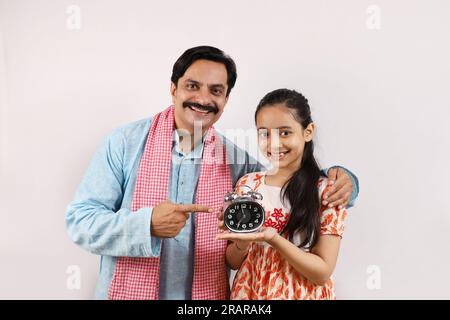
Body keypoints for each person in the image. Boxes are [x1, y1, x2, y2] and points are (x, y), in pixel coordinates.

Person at [65, 46, 359, 300]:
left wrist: (346, 179)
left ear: (226, 99)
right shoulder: (124, 143)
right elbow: (79, 222)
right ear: (173, 88)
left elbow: (288, 182)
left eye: (216, 90)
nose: (203, 99)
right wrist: (148, 224)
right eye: (192, 86)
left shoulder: (238, 163)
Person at [217, 89, 349, 299]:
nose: (274, 143)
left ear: (308, 132)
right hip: (250, 293)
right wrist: (241, 243)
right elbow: (233, 261)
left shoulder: (326, 191)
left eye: (285, 132)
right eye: (264, 133)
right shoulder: (248, 184)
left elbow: (322, 273)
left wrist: (274, 239)